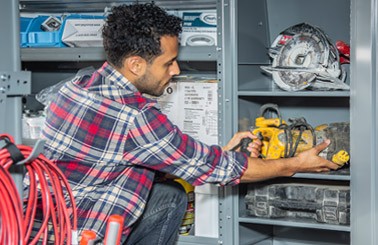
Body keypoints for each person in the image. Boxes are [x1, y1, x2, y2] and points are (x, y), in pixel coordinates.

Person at [38, 3, 340, 244]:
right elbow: (216, 169)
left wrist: (219, 153)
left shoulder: (78, 85)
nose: (176, 69)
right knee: (174, 196)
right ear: (136, 64)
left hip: (46, 222)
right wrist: (296, 163)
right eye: (168, 62)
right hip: (82, 233)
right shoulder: (135, 116)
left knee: (168, 194)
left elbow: (122, 157)